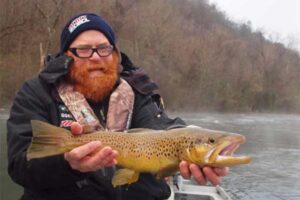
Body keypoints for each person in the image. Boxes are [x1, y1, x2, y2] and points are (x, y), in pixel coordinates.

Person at [7, 13, 228, 200]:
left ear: (114, 54)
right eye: (83, 50)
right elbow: (20, 166)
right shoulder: (37, 92)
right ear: (67, 56)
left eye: (103, 48)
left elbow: (162, 128)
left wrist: (194, 136)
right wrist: (67, 163)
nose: (95, 57)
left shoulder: (136, 89)